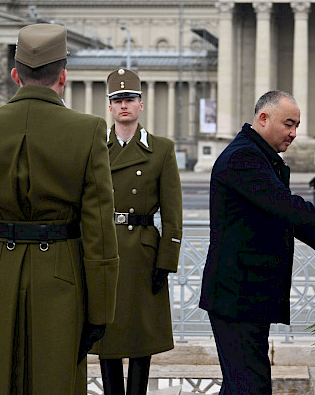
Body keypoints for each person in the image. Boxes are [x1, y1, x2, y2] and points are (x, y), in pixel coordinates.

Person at [0, 23, 120, 394]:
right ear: (63, 77)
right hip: (63, 278)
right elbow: (100, 231)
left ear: (15, 74)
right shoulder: (88, 130)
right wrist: (99, 313)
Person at [199, 90, 315, 394]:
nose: (294, 133)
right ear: (263, 118)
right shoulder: (243, 157)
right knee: (250, 387)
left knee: (241, 385)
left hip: (245, 295)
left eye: (296, 125)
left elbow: (283, 218)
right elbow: (285, 206)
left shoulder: (258, 155)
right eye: (288, 124)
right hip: (236, 296)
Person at [93, 69, 183, 395]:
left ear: (141, 104)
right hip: (106, 250)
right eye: (117, 100)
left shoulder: (161, 150)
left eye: (129, 98)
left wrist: (166, 261)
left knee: (141, 336)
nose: (124, 105)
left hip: (144, 253)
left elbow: (173, 214)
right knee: (107, 333)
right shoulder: (95, 148)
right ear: (110, 107)